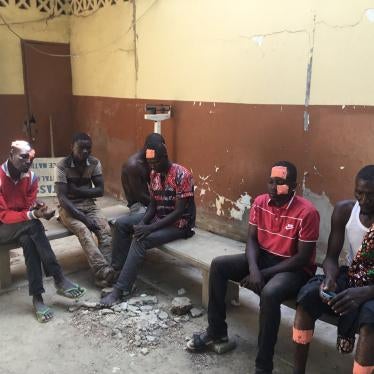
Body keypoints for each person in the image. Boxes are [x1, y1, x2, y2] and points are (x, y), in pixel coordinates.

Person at [187, 161, 320, 374]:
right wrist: (254, 268)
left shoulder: (307, 212)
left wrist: (262, 274)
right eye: (271, 181)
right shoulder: (260, 202)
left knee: (270, 293)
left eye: (280, 183)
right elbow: (252, 240)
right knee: (219, 265)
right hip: (264, 259)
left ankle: (263, 366)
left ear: (293, 186)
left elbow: (302, 259)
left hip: (293, 269)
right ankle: (217, 331)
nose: (273, 187)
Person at [293, 165, 374, 374]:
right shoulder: (345, 210)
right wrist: (329, 278)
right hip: (354, 275)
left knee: (369, 324)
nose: (364, 201)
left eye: (371, 196)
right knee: (308, 298)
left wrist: (365, 292)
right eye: (359, 193)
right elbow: (330, 258)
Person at [100, 141, 196, 306]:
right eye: (150, 163)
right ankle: (117, 271)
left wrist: (149, 228)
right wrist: (143, 223)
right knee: (121, 224)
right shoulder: (154, 174)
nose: (153, 166)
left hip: (179, 224)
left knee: (141, 239)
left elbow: (179, 211)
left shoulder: (182, 174)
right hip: (159, 216)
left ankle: (120, 289)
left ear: (165, 157)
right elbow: (153, 205)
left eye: (156, 161)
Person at [0, 140, 85, 323]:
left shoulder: (31, 178)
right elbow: (4, 216)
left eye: (31, 158)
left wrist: (39, 207)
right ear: (10, 155)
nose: (28, 162)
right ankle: (58, 277)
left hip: (20, 226)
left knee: (29, 241)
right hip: (2, 228)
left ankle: (37, 298)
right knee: (34, 225)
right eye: (23, 157)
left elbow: (26, 206)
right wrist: (32, 214)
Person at [55, 133, 115, 287]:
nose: (85, 152)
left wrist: (77, 191)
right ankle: (103, 271)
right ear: (72, 147)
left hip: (89, 205)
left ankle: (105, 276)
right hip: (69, 208)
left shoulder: (94, 163)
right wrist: (84, 218)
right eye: (81, 148)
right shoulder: (62, 166)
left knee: (105, 229)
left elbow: (100, 191)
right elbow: (63, 199)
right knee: (84, 231)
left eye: (88, 148)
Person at [121, 133, 165, 214]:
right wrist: (161, 205)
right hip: (138, 204)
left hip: (149, 200)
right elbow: (140, 196)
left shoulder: (151, 160)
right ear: (146, 148)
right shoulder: (134, 165)